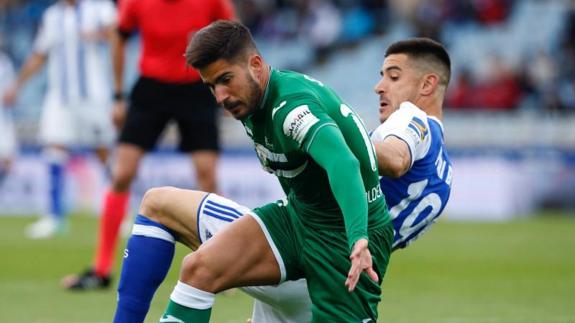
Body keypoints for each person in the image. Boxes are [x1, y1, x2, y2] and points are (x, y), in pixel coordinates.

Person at [111, 36, 452, 323]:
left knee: (159, 206)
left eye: (393, 77)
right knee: (200, 268)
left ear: (428, 84)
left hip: (331, 257)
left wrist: (333, 128)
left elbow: (392, 158)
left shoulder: (411, 119)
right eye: (380, 75)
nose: (379, 86)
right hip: (328, 260)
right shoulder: (444, 179)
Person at [62, 0, 236, 290]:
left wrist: (227, 86)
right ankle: (101, 269)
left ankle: (223, 268)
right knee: (121, 174)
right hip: (151, 88)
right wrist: (118, 96)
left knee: (207, 177)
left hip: (196, 87)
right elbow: (118, 35)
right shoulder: (136, 2)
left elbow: (233, 36)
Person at [2, 0, 117, 239]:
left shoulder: (101, 8)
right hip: (60, 98)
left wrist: (97, 34)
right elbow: (39, 54)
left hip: (93, 96)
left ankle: (115, 211)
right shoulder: (53, 16)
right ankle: (55, 217)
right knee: (53, 148)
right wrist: (18, 84)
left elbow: (118, 35)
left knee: (103, 151)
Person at [0, 48, 16, 185]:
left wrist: (11, 95)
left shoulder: (4, 63)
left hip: (3, 119)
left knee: (7, 161)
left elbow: (11, 94)